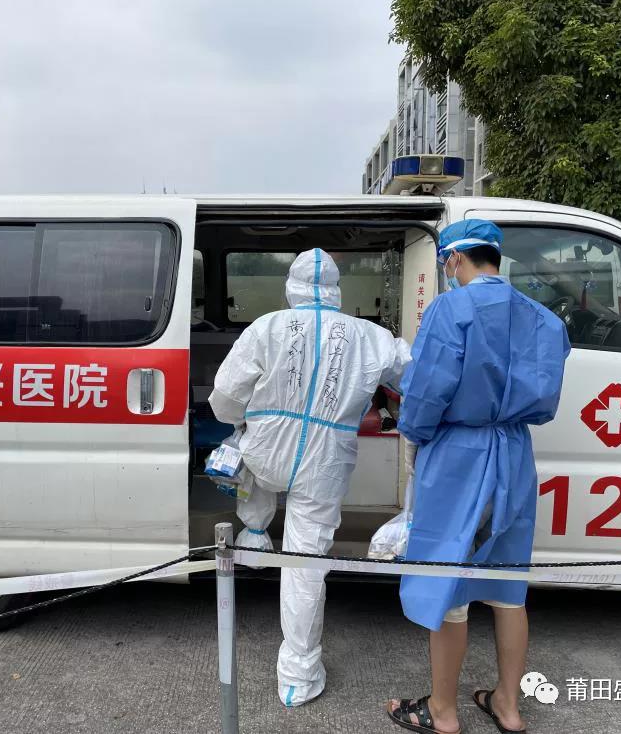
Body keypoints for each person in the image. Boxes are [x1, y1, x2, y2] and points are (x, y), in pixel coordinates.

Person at [386, 219, 570, 734]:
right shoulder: (541, 317)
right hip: (514, 452)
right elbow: (545, 397)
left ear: (454, 259)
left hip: (458, 454)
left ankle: (443, 711)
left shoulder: (451, 308)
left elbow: (427, 389)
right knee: (509, 586)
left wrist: (414, 436)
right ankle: (508, 705)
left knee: (448, 579)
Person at [210, 248, 410, 707]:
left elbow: (225, 398)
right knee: (304, 565)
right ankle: (298, 677)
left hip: (265, 453)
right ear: (336, 291)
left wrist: (246, 421)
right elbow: (417, 373)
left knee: (249, 459)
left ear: (291, 288)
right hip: (325, 462)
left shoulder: (266, 328)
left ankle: (255, 533)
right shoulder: (369, 336)